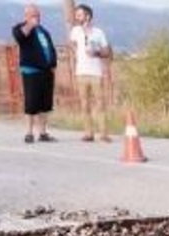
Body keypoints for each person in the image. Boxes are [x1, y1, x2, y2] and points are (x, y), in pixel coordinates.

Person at [64, 1, 112, 143]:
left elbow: (107, 51)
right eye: (76, 15)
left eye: (80, 15)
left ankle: (103, 133)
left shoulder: (99, 32)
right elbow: (71, 44)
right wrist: (77, 53)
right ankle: (88, 133)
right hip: (81, 73)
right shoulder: (75, 31)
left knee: (100, 103)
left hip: (96, 73)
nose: (77, 17)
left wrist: (96, 52)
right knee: (84, 104)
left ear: (88, 16)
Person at [12, 4, 58, 143]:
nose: (36, 17)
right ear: (26, 16)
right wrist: (30, 25)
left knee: (45, 104)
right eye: (33, 15)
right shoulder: (20, 28)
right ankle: (29, 133)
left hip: (46, 71)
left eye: (38, 15)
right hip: (31, 71)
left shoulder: (43, 31)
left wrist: (53, 64)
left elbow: (51, 48)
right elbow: (20, 37)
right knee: (31, 103)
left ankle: (43, 133)